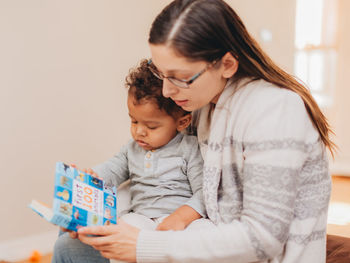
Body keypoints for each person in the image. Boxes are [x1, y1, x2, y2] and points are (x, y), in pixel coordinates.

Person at [54, 0, 336, 262]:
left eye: (179, 77)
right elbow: (160, 170)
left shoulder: (275, 110)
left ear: (226, 64)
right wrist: (96, 212)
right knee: (71, 242)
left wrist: (143, 245)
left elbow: (263, 238)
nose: (167, 90)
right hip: (203, 238)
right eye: (161, 74)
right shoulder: (201, 107)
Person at [52, 59, 210, 262]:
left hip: (180, 218)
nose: (139, 131)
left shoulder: (188, 148)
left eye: (151, 126)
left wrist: (181, 217)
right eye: (134, 121)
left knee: (203, 232)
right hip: (141, 219)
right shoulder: (132, 148)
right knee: (121, 234)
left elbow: (204, 192)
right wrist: (92, 175)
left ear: (182, 122)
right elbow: (113, 168)